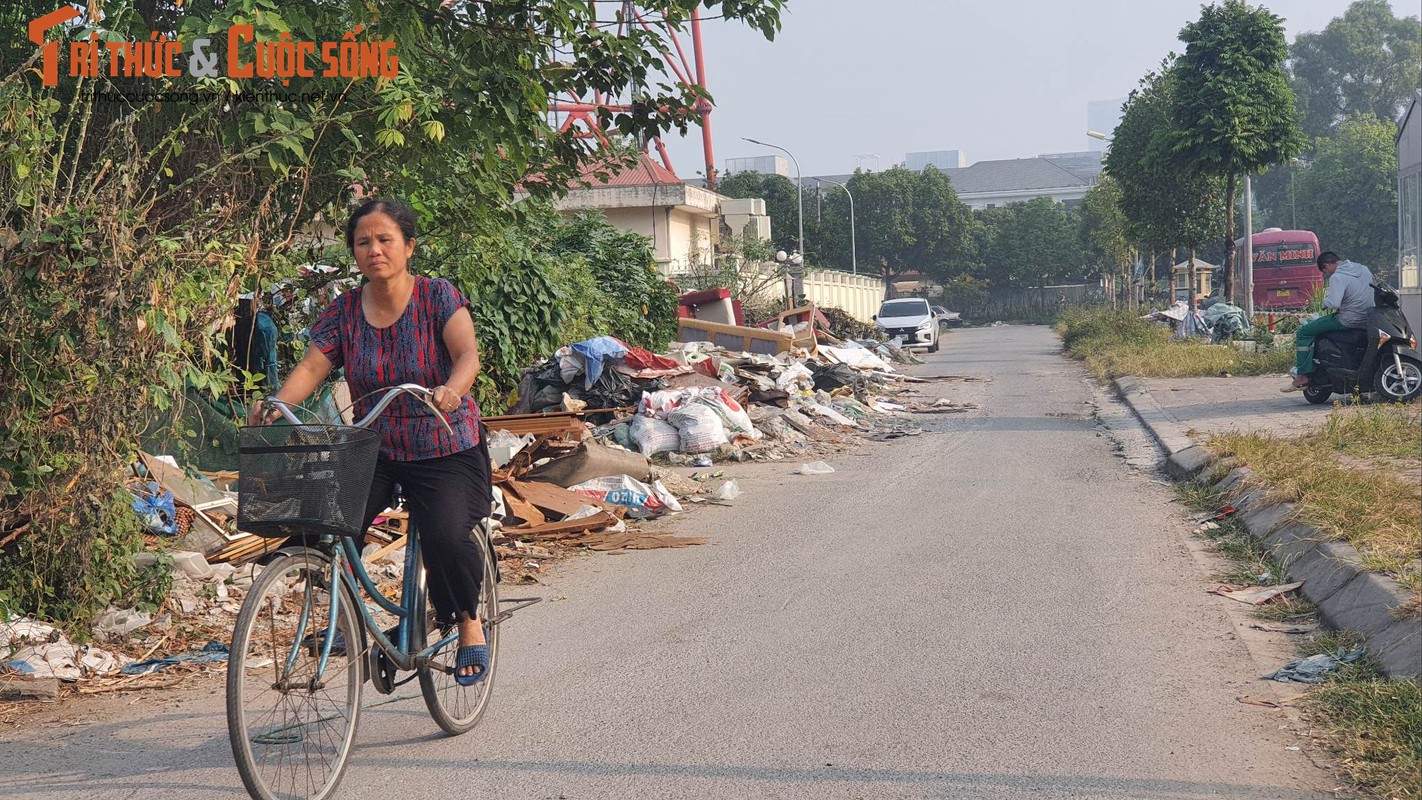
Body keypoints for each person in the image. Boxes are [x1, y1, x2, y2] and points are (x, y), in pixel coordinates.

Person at [247, 198, 492, 685]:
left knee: (444, 535)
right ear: (354, 252)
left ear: (409, 248)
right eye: (364, 242)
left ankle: (467, 622)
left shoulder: (438, 297)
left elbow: (467, 354)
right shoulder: (343, 312)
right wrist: (278, 403)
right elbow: (313, 367)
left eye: (385, 240)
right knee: (327, 522)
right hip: (376, 445)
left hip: (443, 443)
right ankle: (350, 618)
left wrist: (451, 389)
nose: (374, 249)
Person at [1286, 251, 1376, 391]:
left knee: (1304, 332)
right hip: (1369, 319)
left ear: (1327, 266)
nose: (1326, 275)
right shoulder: (1363, 269)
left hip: (1347, 320)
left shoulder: (1337, 277)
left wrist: (1324, 302)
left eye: (1325, 271)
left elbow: (1334, 303)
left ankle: (1302, 375)